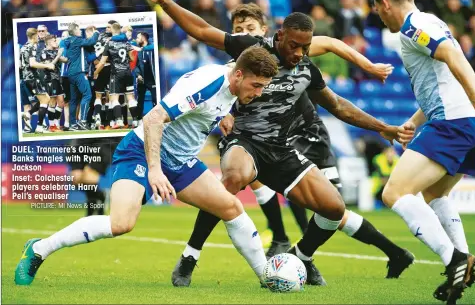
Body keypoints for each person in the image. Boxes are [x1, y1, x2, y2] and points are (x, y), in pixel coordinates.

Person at [134, 0, 414, 287]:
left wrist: (382, 127)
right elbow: (202, 30)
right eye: (293, 46)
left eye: (304, 48)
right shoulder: (252, 48)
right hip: (243, 141)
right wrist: (163, 0)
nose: (298, 53)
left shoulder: (306, 69)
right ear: (279, 36)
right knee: (234, 177)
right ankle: (190, 256)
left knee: (334, 208)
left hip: (281, 148)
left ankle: (301, 256)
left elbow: (339, 106)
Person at [14, 46, 279, 286]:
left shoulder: (234, 80)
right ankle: (39, 249)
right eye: (256, 86)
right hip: (140, 152)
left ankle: (267, 278)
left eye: (263, 87)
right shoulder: (209, 83)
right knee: (121, 223)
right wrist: (154, 169)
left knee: (231, 207)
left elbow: (218, 97)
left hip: (180, 161)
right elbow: (154, 118)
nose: (258, 93)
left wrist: (224, 114)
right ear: (238, 74)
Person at [369, 0, 475, 303]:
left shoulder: (414, 27)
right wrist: (415, 121)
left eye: (376, 8)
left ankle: (453, 259)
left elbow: (453, 57)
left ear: (385, 3)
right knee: (434, 194)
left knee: (394, 193)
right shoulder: (432, 21)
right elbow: (442, 77)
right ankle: (464, 263)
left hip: (455, 121)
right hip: (471, 123)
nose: (376, 14)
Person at [94, 23, 136, 129]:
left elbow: (102, 62)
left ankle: (119, 121)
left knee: (114, 98)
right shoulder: (126, 43)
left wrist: (96, 72)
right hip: (127, 72)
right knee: (130, 98)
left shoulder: (110, 43)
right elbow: (132, 57)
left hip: (116, 73)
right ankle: (136, 121)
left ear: (112, 30)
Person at [20, 28, 56, 134]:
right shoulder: (32, 47)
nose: (39, 37)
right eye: (37, 35)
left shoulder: (23, 47)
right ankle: (40, 127)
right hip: (33, 77)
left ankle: (28, 113)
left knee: (46, 99)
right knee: (45, 100)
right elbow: (32, 63)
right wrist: (47, 65)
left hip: (26, 78)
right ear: (34, 35)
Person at [64, 23, 99, 130]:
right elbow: (91, 41)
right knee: (88, 95)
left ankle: (72, 124)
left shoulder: (69, 41)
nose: (80, 31)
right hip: (79, 72)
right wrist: (96, 33)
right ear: (74, 31)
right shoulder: (77, 40)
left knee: (74, 100)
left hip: (71, 73)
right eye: (79, 29)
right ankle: (83, 121)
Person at [38, 34, 67, 132]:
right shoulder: (44, 52)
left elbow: (65, 60)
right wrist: (58, 56)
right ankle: (52, 126)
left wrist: (63, 55)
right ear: (50, 42)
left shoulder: (55, 51)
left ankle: (55, 123)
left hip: (58, 79)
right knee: (52, 102)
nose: (56, 42)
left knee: (61, 102)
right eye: (55, 41)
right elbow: (49, 66)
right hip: (50, 79)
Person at [133, 31, 156, 121]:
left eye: (138, 37)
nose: (136, 40)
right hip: (142, 80)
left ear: (143, 38)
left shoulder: (153, 47)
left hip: (152, 79)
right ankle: (138, 120)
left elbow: (154, 46)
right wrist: (138, 74)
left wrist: (142, 49)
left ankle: (155, 118)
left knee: (155, 98)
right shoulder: (138, 50)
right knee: (139, 100)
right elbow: (136, 65)